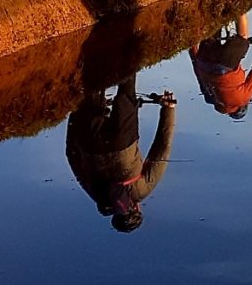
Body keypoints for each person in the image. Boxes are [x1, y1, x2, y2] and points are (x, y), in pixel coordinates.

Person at [65, 75, 176, 233]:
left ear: (137, 210)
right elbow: (71, 155)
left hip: (123, 141)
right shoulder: (97, 196)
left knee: (127, 85)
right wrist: (74, 118)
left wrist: (168, 108)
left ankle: (125, 51)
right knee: (91, 85)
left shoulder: (142, 191)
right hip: (91, 143)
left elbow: (162, 149)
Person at [189, 15, 252, 119]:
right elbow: (199, 75)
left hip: (225, 64)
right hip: (204, 62)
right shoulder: (210, 98)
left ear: (242, 107)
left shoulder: (242, 100)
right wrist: (193, 48)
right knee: (211, 28)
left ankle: (241, 10)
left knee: (243, 37)